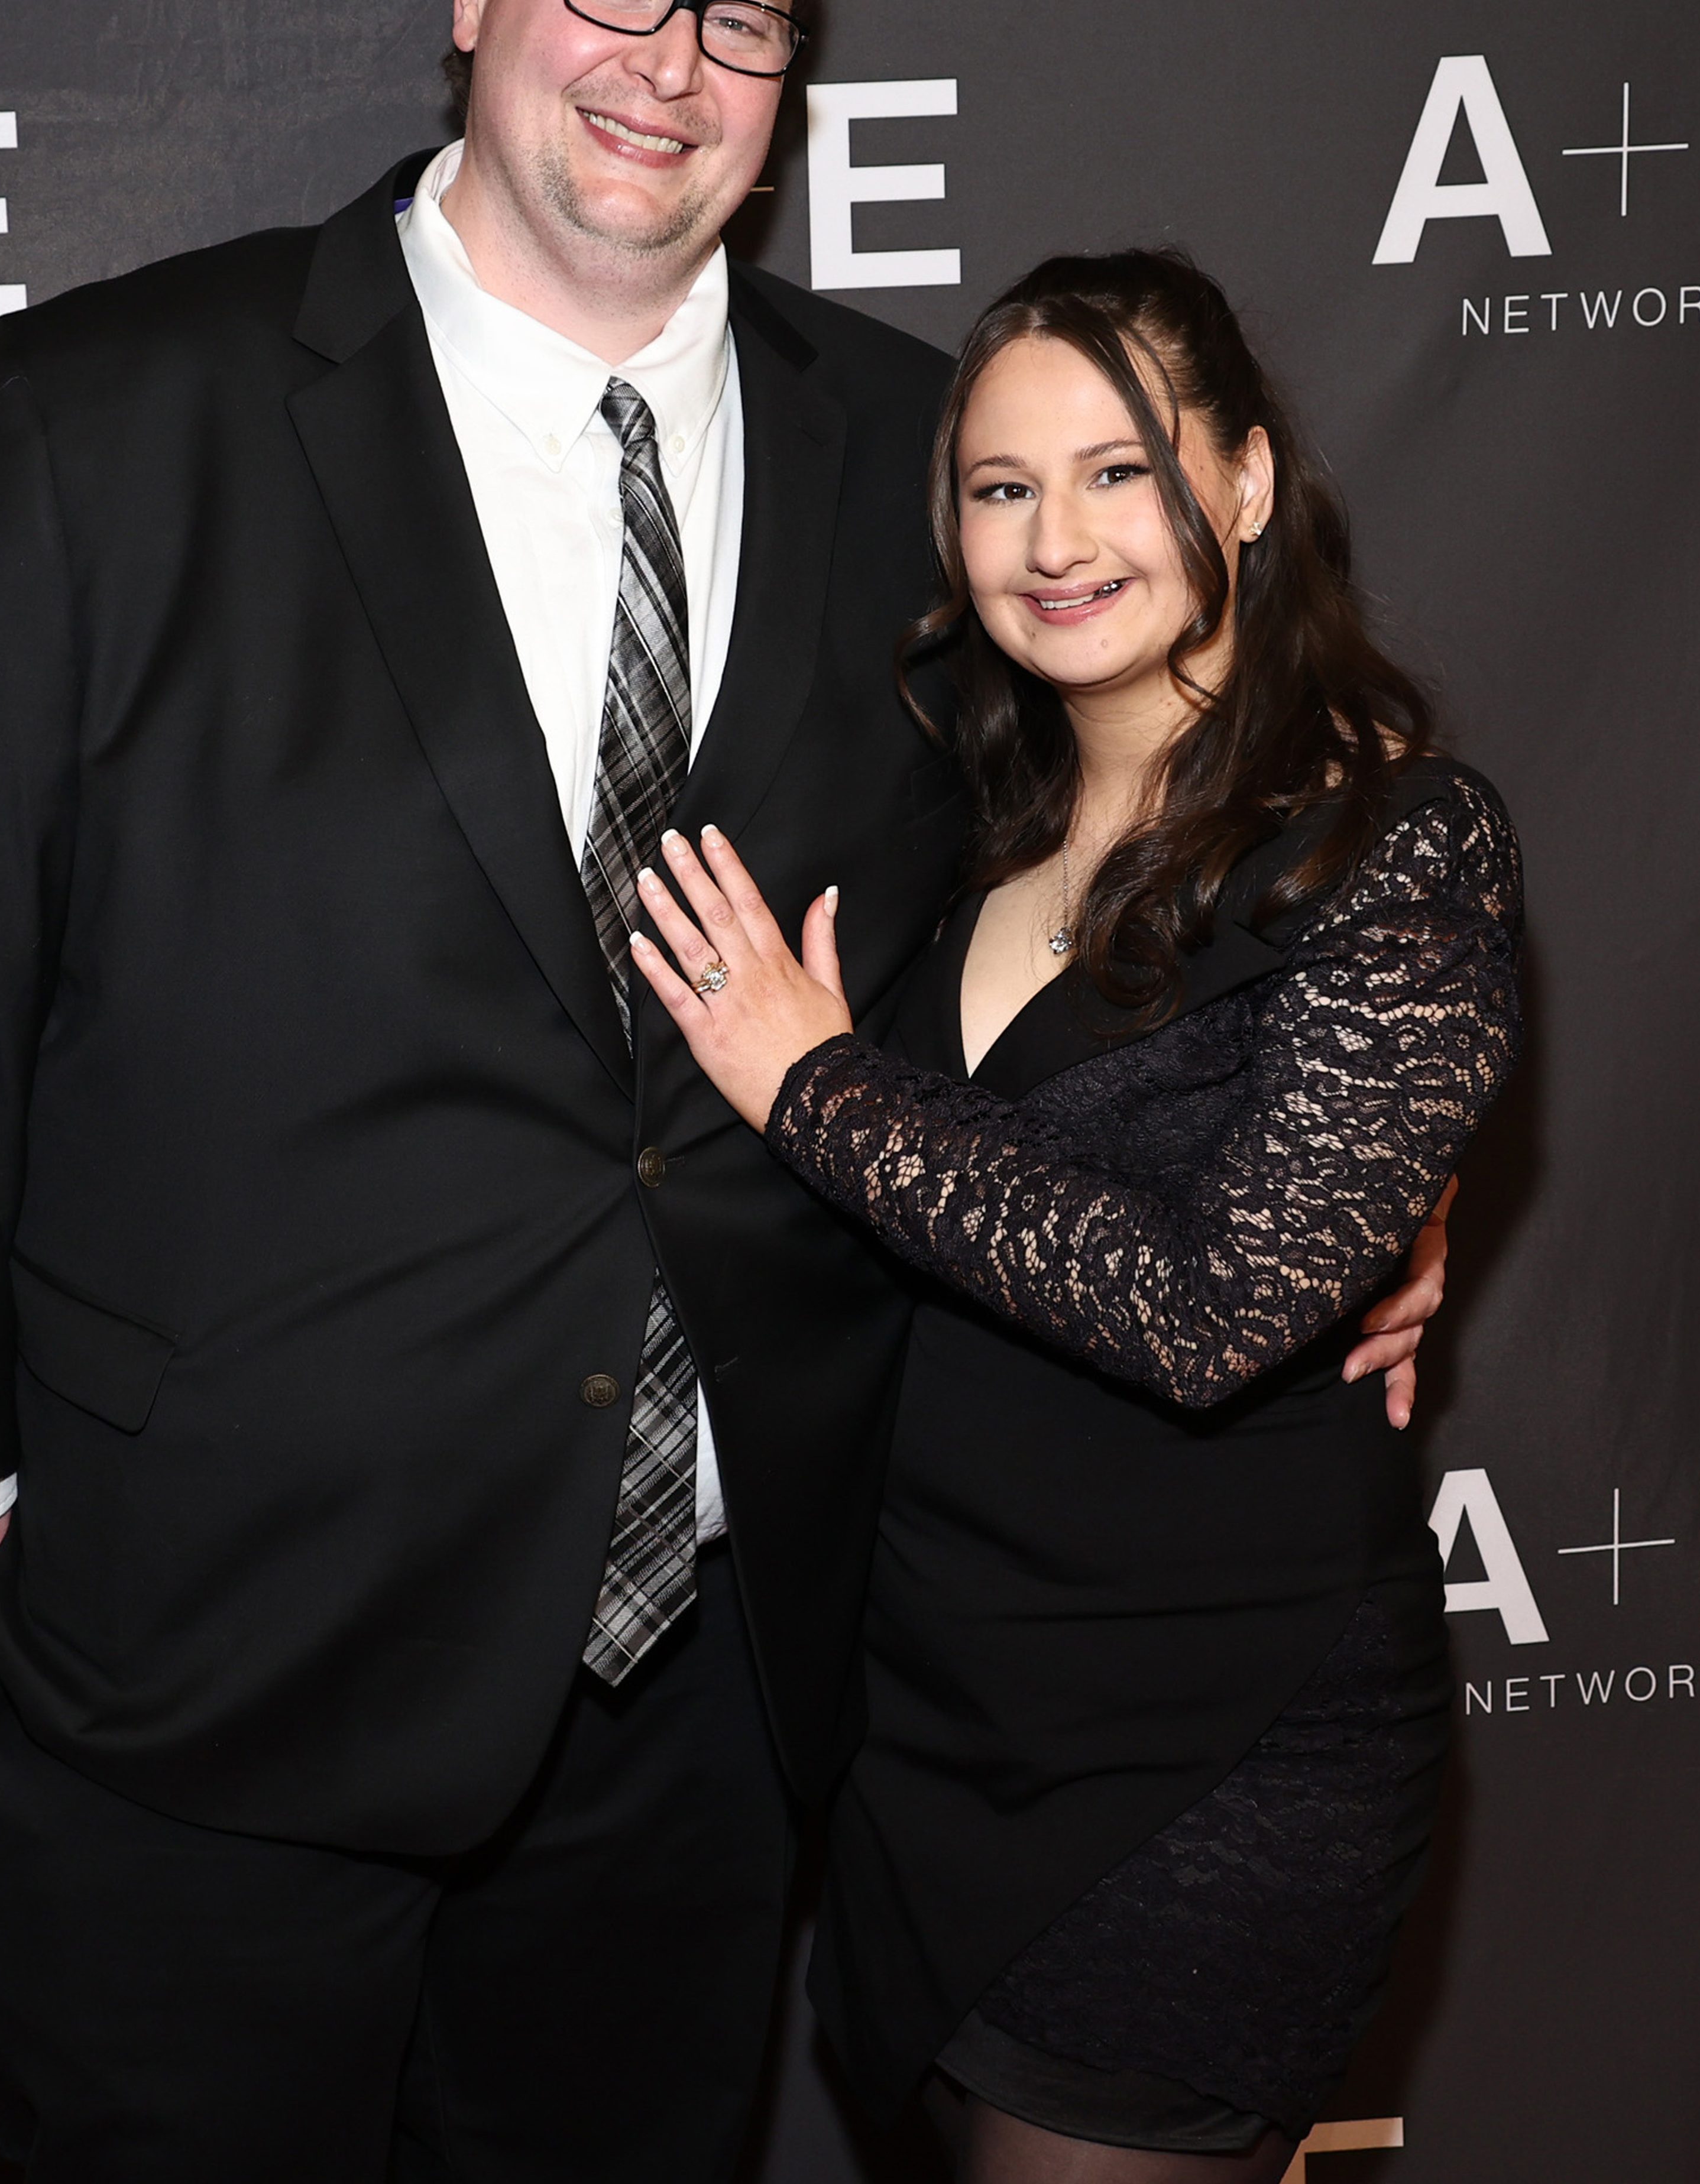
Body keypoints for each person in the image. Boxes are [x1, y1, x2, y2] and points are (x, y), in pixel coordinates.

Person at [0, 0, 1440, 2183]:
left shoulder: (913, 453)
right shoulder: (114, 409)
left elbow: (1139, 877)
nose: (664, 60)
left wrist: (1379, 1185)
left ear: (788, 84)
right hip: (225, 1629)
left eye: (737, 21)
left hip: (711, 1667)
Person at [631, 250, 1522, 2183]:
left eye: (1119, 472)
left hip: (1201, 1748)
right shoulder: (963, 819)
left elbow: (1214, 1310)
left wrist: (813, 1080)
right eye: (999, 486)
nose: (1054, 539)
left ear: (1251, 485)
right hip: (930, 1706)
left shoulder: (1390, 839)